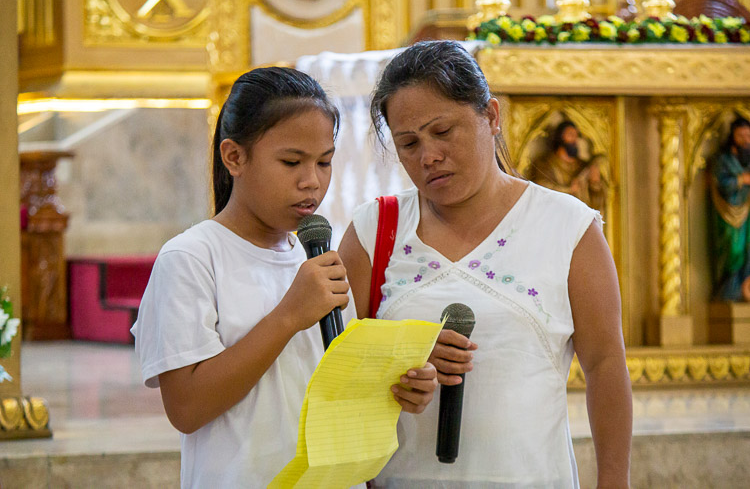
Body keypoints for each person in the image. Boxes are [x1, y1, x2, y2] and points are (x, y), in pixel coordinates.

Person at [338, 41, 632, 488]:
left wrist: (615, 481)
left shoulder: (567, 227)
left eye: (443, 131)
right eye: (408, 143)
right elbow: (330, 367)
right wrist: (392, 361)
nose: (428, 156)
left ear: (491, 116)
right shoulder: (374, 229)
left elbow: (606, 365)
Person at [131, 67, 437, 488]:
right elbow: (187, 409)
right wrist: (288, 316)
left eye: (324, 162)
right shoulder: (192, 258)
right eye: (291, 162)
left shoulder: (315, 257)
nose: (312, 181)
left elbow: (325, 391)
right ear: (234, 157)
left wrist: (397, 389)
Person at [527, 120, 608, 217]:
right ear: (560, 137)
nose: (575, 139)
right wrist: (568, 189)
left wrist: (595, 184)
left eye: (576, 135)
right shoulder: (545, 163)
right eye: (570, 135)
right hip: (554, 218)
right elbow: (540, 190)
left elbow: (596, 205)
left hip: (578, 220)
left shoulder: (583, 166)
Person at [709, 116, 750, 301]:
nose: (745, 140)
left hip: (748, 211)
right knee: (734, 250)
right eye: (741, 135)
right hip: (728, 212)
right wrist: (741, 180)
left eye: (748, 136)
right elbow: (721, 183)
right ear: (733, 136)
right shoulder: (723, 159)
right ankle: (729, 291)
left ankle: (745, 287)